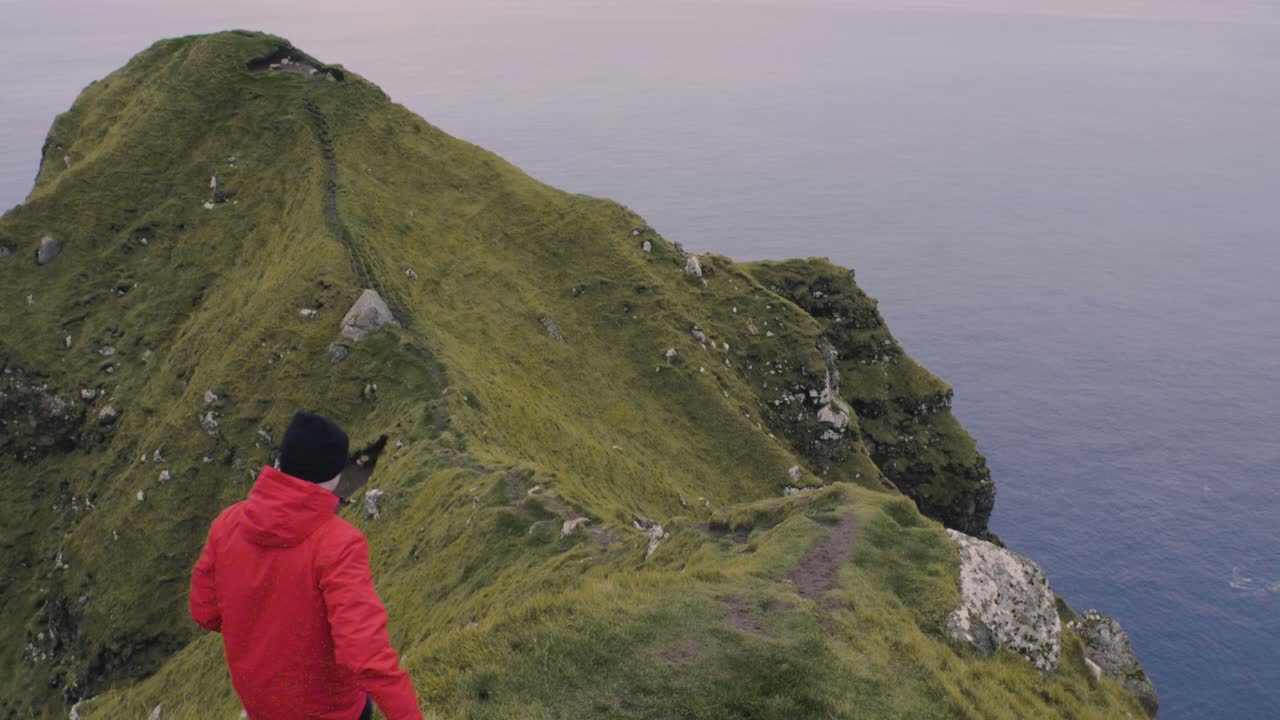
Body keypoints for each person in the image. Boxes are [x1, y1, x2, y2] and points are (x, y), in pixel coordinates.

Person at [189, 411, 422, 720]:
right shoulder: (339, 544)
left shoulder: (227, 523)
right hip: (329, 710)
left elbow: (204, 612)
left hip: (261, 704)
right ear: (335, 474)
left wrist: (260, 628)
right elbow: (365, 655)